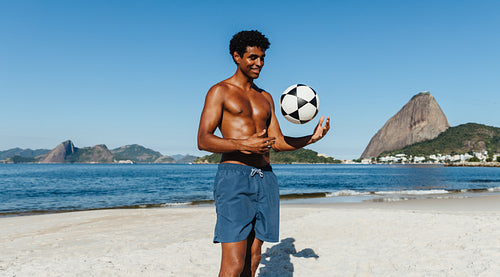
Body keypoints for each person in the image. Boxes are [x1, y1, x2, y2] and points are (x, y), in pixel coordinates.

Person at [197, 30, 330, 277]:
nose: (259, 63)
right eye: (252, 57)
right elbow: (203, 140)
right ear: (237, 56)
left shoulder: (265, 97)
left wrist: (311, 138)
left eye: (262, 58)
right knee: (234, 263)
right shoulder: (220, 91)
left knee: (254, 257)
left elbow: (277, 142)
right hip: (234, 178)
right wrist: (242, 144)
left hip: (266, 178)